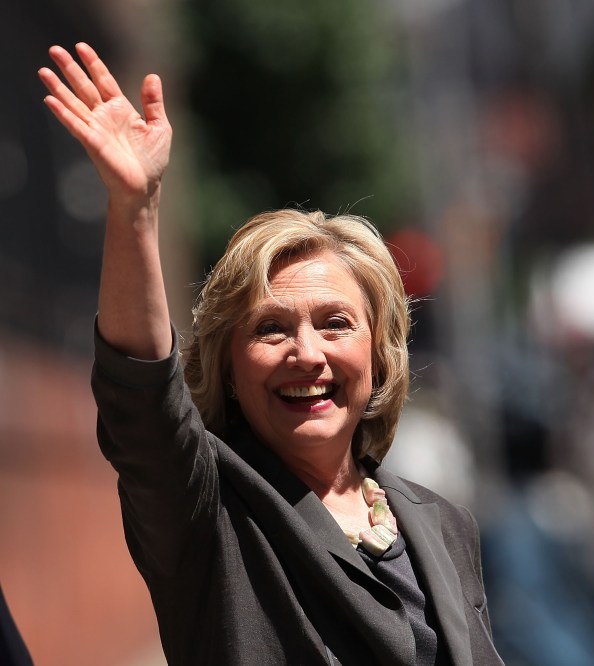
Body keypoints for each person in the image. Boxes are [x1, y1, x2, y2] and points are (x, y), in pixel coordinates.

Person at [38, 42, 502, 665]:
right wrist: (135, 211)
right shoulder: (209, 508)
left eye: (335, 323)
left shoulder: (445, 525)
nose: (306, 354)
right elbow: (140, 398)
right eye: (270, 330)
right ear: (229, 368)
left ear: (381, 353)